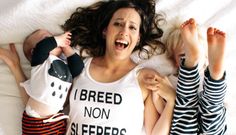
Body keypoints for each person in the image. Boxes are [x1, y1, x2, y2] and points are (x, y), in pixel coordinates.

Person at [62, 0, 176, 135]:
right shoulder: (79, 67)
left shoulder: (146, 77)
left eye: (132, 27)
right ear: (105, 31)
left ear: (138, 38)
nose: (124, 31)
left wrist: (172, 101)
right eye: (118, 24)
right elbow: (48, 103)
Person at [0, 29, 84, 134]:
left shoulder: (65, 65)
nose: (55, 39)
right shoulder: (41, 62)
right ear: (33, 51)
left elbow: (78, 68)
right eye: (48, 39)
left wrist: (67, 49)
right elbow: (42, 48)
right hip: (50, 121)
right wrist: (59, 40)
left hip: (42, 123)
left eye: (53, 37)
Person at [168, 18, 227, 134]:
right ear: (174, 61)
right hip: (211, 115)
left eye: (187, 54)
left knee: (184, 106)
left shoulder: (168, 80)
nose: (184, 56)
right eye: (182, 56)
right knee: (214, 109)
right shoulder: (170, 80)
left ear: (205, 58)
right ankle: (216, 78)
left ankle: (190, 63)